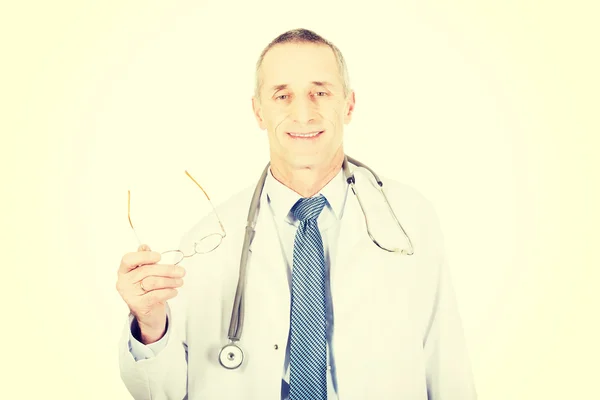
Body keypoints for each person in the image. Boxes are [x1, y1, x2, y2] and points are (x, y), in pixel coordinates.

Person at [116, 28, 477, 399]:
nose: (303, 114)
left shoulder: (409, 219)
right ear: (258, 111)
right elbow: (160, 393)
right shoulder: (208, 240)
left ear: (349, 105)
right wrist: (150, 322)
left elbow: (446, 364)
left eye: (320, 92)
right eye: (282, 96)